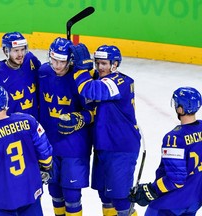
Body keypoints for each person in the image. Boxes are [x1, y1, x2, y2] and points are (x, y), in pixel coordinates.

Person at [70, 44, 141, 216]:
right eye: (97, 63)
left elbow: (90, 90)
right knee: (105, 195)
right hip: (105, 145)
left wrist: (80, 70)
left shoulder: (121, 82)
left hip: (121, 148)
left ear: (114, 65)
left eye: (104, 63)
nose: (100, 67)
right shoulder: (102, 79)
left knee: (120, 198)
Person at [0, 84, 53, 216]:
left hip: (1, 199)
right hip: (30, 191)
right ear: (6, 101)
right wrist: (46, 168)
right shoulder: (29, 121)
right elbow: (45, 154)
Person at [38, 37, 95, 216]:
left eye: (61, 61)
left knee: (71, 195)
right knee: (54, 191)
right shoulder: (43, 72)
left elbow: (94, 112)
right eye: (53, 59)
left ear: (70, 60)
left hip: (75, 145)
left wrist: (80, 118)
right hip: (50, 143)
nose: (56, 65)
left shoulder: (80, 77)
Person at [129, 87, 202, 216]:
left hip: (170, 204)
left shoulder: (174, 138)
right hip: (194, 200)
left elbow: (176, 180)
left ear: (181, 109)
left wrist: (151, 190)